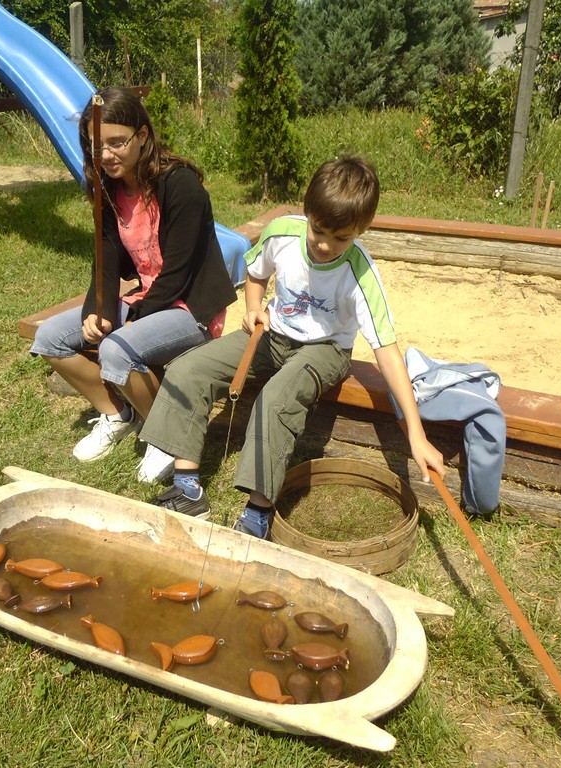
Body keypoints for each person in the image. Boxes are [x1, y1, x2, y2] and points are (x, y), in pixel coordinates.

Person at [138, 155, 446, 537]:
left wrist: (416, 434)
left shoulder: (362, 274)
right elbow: (256, 273)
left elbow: (388, 353)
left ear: (361, 229)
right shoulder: (281, 233)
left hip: (325, 349)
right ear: (307, 211)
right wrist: (253, 309)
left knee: (275, 400)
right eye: (319, 230)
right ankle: (187, 488)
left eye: (341, 237)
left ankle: (257, 514)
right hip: (273, 334)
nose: (325, 244)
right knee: (188, 369)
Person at [30, 88, 236, 482]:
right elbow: (106, 261)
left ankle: (166, 434)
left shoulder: (181, 185)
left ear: (142, 135)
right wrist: (99, 311)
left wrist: (129, 321)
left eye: (117, 142)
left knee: (116, 348)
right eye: (97, 147)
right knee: (50, 337)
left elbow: (178, 272)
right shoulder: (109, 190)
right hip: (148, 299)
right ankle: (117, 413)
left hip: (191, 307)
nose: (107, 155)